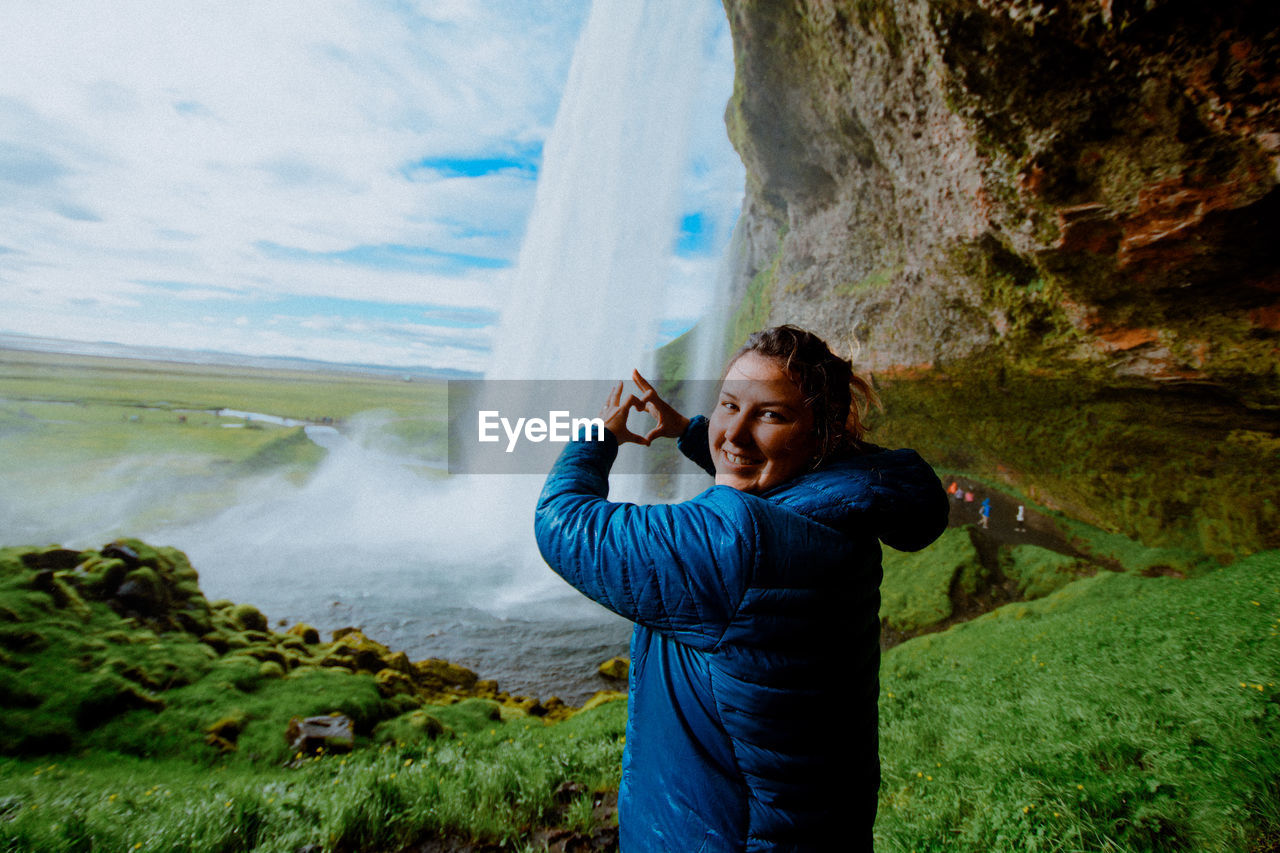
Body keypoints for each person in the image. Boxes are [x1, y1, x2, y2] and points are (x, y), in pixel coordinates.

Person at [535, 325, 950, 851]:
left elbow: (562, 523)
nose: (732, 432)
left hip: (718, 835)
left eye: (771, 415)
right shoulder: (841, 511)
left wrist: (598, 438)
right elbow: (769, 476)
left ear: (822, 435)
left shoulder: (735, 549)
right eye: (729, 405)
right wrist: (691, 430)